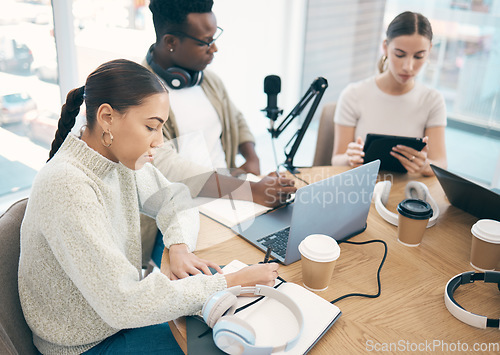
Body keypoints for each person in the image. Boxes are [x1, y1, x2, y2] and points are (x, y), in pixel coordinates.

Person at [18, 59, 279, 354]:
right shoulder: (67, 186)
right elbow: (123, 303)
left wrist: (179, 246)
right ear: (107, 117)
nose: (158, 142)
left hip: (116, 319)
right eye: (151, 127)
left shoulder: (116, 158)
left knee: (231, 327)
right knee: (229, 344)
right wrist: (229, 282)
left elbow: (177, 197)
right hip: (86, 344)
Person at [140, 0, 297, 267]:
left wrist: (251, 156)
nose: (215, 48)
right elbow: (166, 166)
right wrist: (250, 190)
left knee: (281, 252)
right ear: (170, 42)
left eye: (214, 38)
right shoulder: (139, 94)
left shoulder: (208, 80)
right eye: (205, 42)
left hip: (227, 196)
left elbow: (235, 117)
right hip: (173, 220)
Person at [331, 11, 447, 176]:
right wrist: (349, 158)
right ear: (385, 47)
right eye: (399, 54)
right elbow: (336, 159)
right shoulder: (353, 94)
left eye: (419, 56)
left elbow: (441, 164)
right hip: (361, 186)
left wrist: (424, 166)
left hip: (406, 192)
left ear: (429, 50)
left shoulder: (433, 100)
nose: (408, 66)